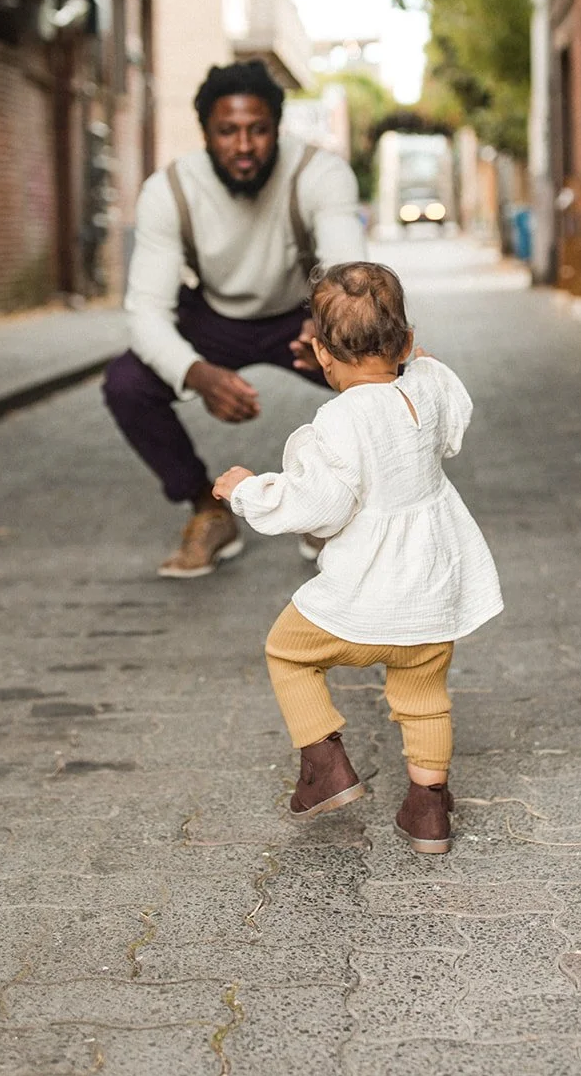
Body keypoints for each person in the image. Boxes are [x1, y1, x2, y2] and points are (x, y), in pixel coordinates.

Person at [212, 261, 502, 855]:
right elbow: (448, 408)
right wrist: (412, 361)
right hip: (431, 592)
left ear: (321, 353)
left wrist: (246, 491)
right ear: (407, 342)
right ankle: (428, 809)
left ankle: (325, 766)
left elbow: (319, 506)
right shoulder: (429, 387)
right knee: (424, 697)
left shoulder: (338, 421)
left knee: (287, 652)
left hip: (365, 596)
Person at [103, 60, 366, 578]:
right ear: (205, 132)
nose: (244, 146)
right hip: (215, 318)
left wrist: (327, 324)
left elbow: (350, 275)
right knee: (127, 384)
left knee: (388, 376)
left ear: (277, 128)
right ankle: (208, 509)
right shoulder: (169, 190)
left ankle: (334, 508)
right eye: (227, 131)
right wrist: (196, 374)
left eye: (258, 130)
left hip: (301, 317)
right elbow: (146, 312)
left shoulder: (319, 173)